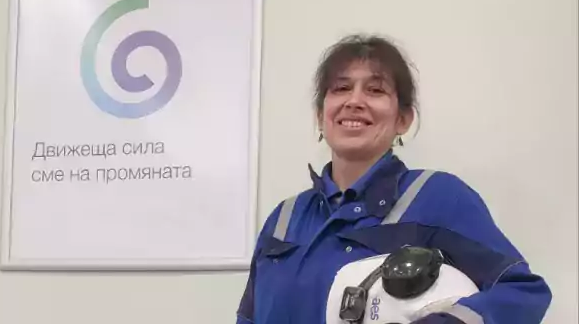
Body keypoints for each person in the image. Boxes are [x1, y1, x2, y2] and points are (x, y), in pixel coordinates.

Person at [236, 35, 552, 324]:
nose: (354, 101)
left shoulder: (436, 197)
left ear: (403, 119)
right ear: (321, 115)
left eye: (375, 90)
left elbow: (522, 293)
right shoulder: (284, 220)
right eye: (341, 88)